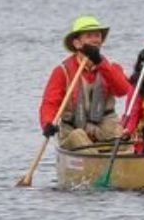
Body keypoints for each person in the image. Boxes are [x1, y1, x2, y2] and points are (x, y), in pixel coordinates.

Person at [38, 15, 132, 150]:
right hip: (74, 131)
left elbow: (123, 90)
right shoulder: (62, 72)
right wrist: (47, 123)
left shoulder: (111, 67)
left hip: (106, 131)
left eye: (97, 36)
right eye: (89, 36)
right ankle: (95, 165)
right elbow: (50, 103)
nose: (95, 40)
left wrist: (100, 63)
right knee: (78, 136)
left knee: (128, 137)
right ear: (77, 43)